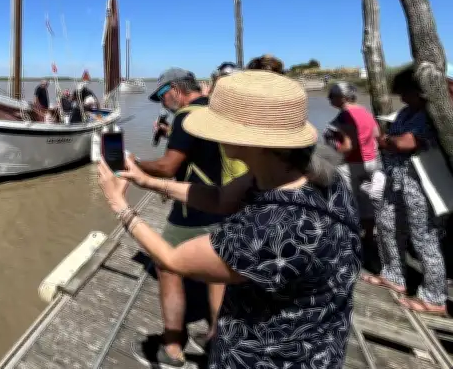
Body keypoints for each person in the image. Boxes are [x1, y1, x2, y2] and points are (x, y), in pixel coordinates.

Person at [97, 70, 362, 368]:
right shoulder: (305, 174)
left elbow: (173, 259)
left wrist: (119, 203)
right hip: (315, 337)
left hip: (272, 357)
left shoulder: (273, 229)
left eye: (218, 127)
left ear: (252, 141)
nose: (211, 135)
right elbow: (221, 198)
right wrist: (151, 182)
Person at [131, 68, 225, 368]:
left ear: (175, 89)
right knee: (217, 272)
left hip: (193, 207)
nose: (161, 103)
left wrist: (134, 164)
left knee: (166, 264)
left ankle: (172, 347)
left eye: (161, 95)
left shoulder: (185, 117)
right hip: (225, 202)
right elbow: (204, 150)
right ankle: (216, 338)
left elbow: (169, 166)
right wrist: (170, 135)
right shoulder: (215, 110)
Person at [362, 66, 447, 315]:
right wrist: (388, 142)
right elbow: (391, 139)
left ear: (420, 92)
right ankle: (393, 275)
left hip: (420, 183)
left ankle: (435, 297)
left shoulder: (433, 114)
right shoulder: (406, 113)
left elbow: (404, 143)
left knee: (424, 238)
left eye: (406, 93)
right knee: (387, 226)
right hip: (392, 180)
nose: (402, 98)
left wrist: (386, 142)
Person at [324, 82, 384, 241]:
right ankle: (369, 234)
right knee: (367, 201)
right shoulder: (365, 111)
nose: (329, 101)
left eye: (331, 97)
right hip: (371, 160)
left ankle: (352, 236)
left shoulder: (345, 116)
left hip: (351, 163)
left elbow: (349, 145)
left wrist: (332, 154)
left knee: (347, 201)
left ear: (342, 98)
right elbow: (376, 134)